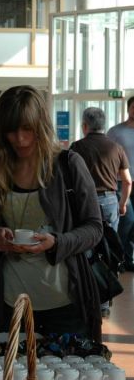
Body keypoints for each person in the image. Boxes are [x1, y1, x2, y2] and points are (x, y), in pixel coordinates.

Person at [0, 85, 103, 341]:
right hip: (10, 303)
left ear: (41, 126)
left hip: (65, 302)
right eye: (11, 130)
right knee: (10, 367)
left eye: (28, 129)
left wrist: (57, 242)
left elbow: (94, 228)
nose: (20, 139)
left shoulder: (68, 165)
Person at [71, 107, 131, 316]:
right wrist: (122, 203)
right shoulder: (116, 147)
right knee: (106, 250)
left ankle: (86, 300)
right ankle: (104, 304)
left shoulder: (77, 147)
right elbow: (127, 181)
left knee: (85, 249)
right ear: (103, 125)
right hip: (109, 202)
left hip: (83, 202)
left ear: (84, 126)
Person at [107, 96, 134, 271]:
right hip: (121, 183)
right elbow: (107, 155)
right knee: (127, 221)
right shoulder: (116, 131)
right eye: (133, 107)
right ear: (128, 108)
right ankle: (118, 258)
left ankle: (128, 260)